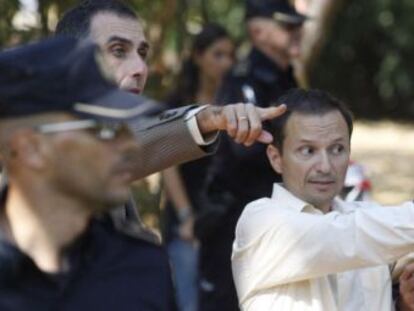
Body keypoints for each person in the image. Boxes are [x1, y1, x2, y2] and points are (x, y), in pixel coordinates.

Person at [55, 0, 285, 242]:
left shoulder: (100, 135)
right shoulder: (46, 138)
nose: (140, 68)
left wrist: (214, 118)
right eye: (118, 51)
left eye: (142, 53)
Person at [0, 36, 177, 310]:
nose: (130, 144)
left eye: (126, 127)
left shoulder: (142, 269)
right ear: (31, 149)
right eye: (105, 129)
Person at [232, 88, 414, 311]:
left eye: (337, 149)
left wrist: (403, 304)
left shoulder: (369, 220)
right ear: (276, 158)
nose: (326, 167)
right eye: (308, 151)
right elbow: (346, 237)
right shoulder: (259, 222)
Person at [196, 1, 307, 309]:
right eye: (288, 26)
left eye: (299, 24)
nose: (298, 31)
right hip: (234, 222)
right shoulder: (242, 80)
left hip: (277, 222)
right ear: (258, 32)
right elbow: (243, 149)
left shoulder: (287, 76)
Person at [162, 23, 235, 311]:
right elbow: (167, 165)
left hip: (224, 216)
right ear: (198, 56)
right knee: (188, 300)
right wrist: (185, 216)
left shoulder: (234, 102)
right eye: (218, 55)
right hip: (187, 218)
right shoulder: (178, 103)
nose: (226, 63)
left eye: (230, 55)